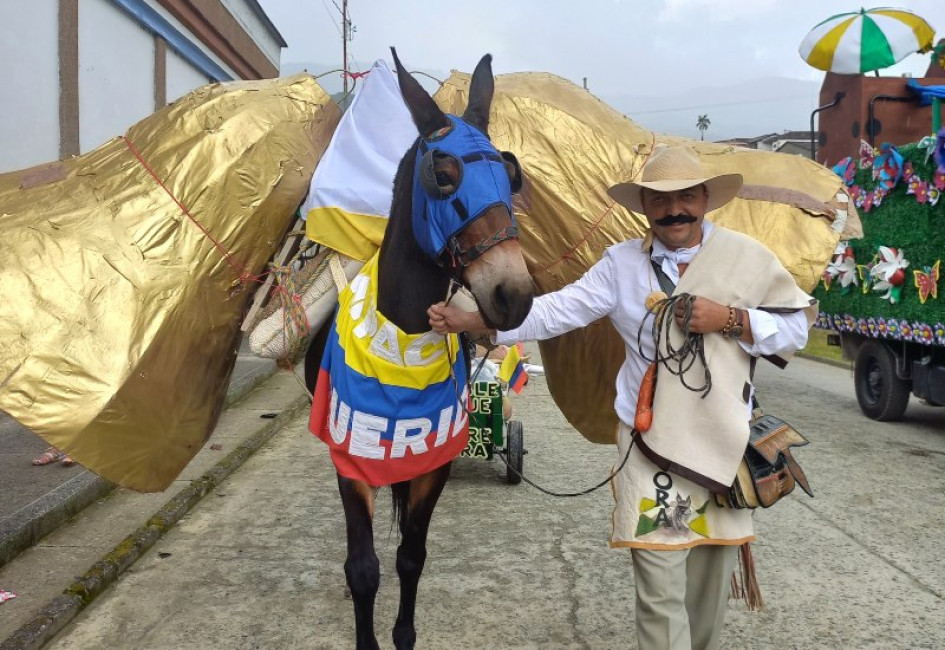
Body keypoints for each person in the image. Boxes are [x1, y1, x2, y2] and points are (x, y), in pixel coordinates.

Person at [427, 144, 817, 650]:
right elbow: (558, 311)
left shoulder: (746, 258)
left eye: (686, 197)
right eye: (660, 200)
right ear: (645, 207)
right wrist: (479, 321)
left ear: (704, 199)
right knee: (658, 581)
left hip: (721, 445)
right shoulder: (620, 264)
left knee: (706, 587)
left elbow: (795, 331)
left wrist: (731, 320)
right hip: (650, 445)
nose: (674, 209)